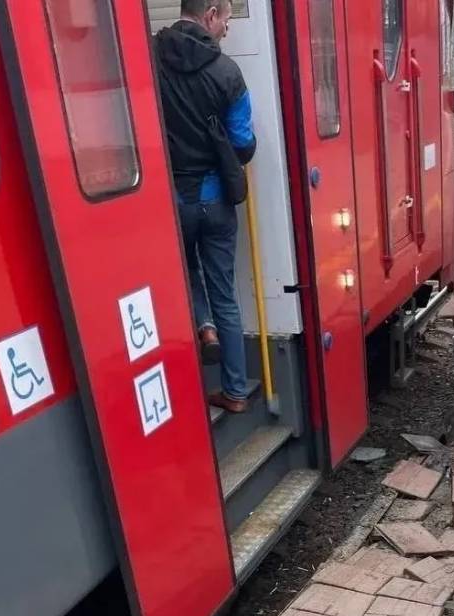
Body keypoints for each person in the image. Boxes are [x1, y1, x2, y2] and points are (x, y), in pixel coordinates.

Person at [155, 1, 257, 414]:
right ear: (211, 14)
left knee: (185, 273)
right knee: (225, 293)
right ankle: (234, 392)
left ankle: (203, 326)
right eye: (228, 20)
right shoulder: (227, 72)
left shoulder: (145, 57)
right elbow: (244, 144)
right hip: (214, 199)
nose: (228, 29)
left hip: (171, 199)